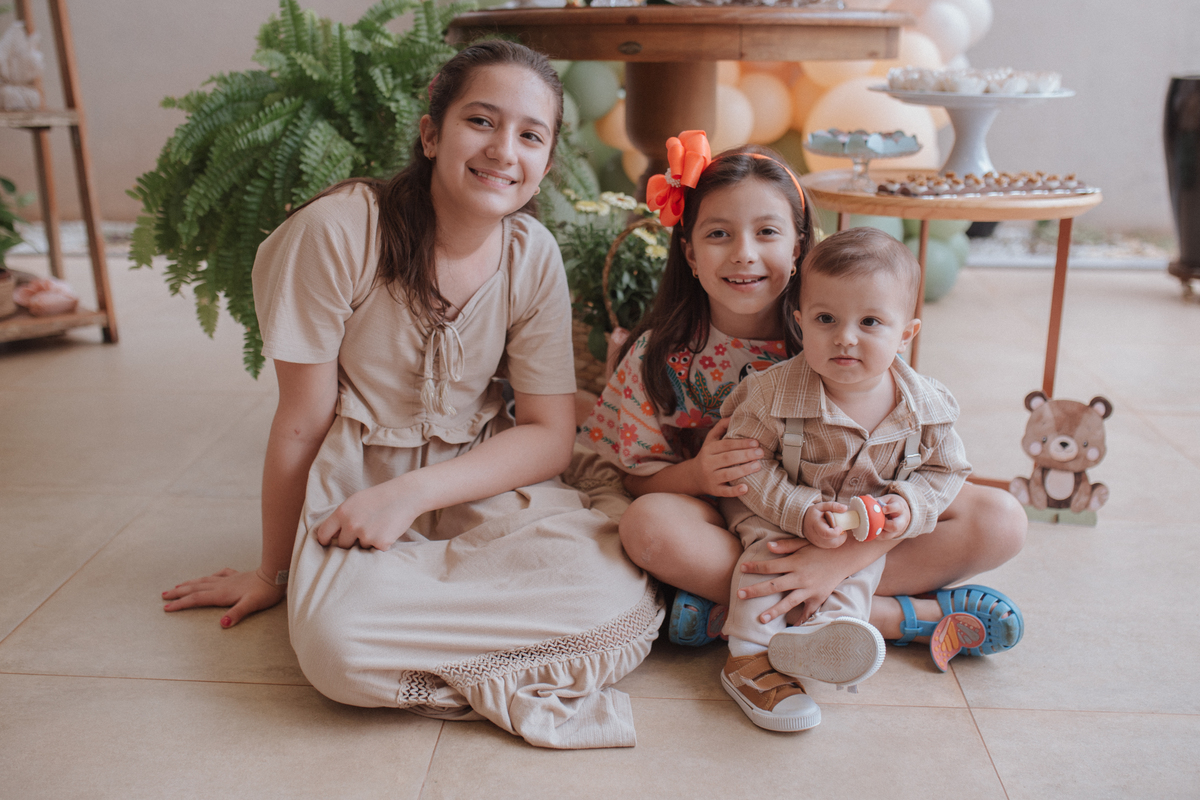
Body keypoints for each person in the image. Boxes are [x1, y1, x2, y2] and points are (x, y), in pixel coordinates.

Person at [160, 40, 661, 750]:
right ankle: (503, 664)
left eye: (530, 135)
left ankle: (446, 630)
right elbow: (301, 423)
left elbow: (550, 434)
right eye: (481, 121)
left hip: (476, 477)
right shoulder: (338, 232)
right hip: (356, 490)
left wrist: (415, 494)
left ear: (546, 162)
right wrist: (274, 570)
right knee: (339, 651)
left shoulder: (533, 255)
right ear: (432, 134)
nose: (502, 151)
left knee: (615, 595)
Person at [717, 226, 1021, 731]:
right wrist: (801, 512)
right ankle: (746, 658)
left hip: (868, 529)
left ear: (906, 333)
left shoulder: (927, 406)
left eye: (871, 321)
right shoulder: (772, 395)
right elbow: (748, 466)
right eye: (826, 319)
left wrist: (909, 505)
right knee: (767, 557)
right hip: (783, 513)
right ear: (800, 323)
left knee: (857, 572)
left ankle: (828, 636)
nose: (845, 337)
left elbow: (946, 471)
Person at [574, 132, 813, 645]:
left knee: (996, 520)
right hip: (718, 518)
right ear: (689, 253)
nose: (744, 254)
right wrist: (699, 474)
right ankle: (871, 613)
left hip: (825, 515)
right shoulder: (659, 356)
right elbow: (638, 480)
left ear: (798, 247)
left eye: (767, 232)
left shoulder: (834, 343)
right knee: (647, 526)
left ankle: (745, 604)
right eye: (719, 234)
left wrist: (843, 552)